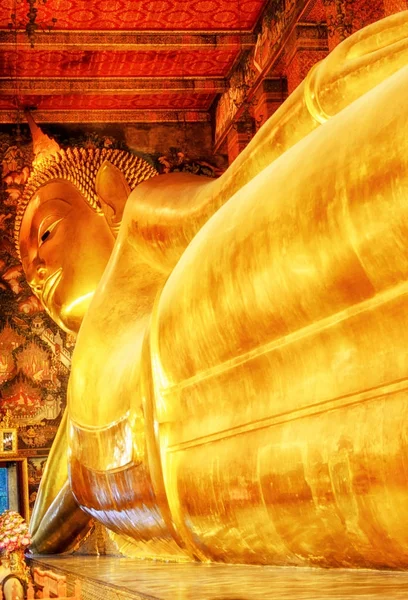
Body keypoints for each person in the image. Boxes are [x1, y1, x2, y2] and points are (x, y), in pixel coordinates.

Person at [16, 12, 408, 568]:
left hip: (195, 343)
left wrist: (328, 95)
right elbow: (81, 494)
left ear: (107, 198)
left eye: (47, 232)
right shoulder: (77, 419)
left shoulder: (145, 214)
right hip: (204, 485)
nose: (35, 267)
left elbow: (233, 193)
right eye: (27, 267)